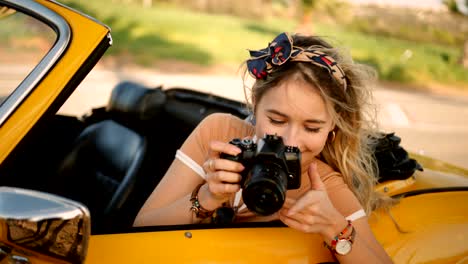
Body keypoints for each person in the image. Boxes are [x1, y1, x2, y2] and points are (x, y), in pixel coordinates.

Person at [134, 32, 394, 262]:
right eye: (277, 120)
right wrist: (206, 198)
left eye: (312, 128)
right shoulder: (219, 134)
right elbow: (139, 230)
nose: (290, 141)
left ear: (332, 128)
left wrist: (336, 228)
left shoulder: (324, 187)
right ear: (255, 104)